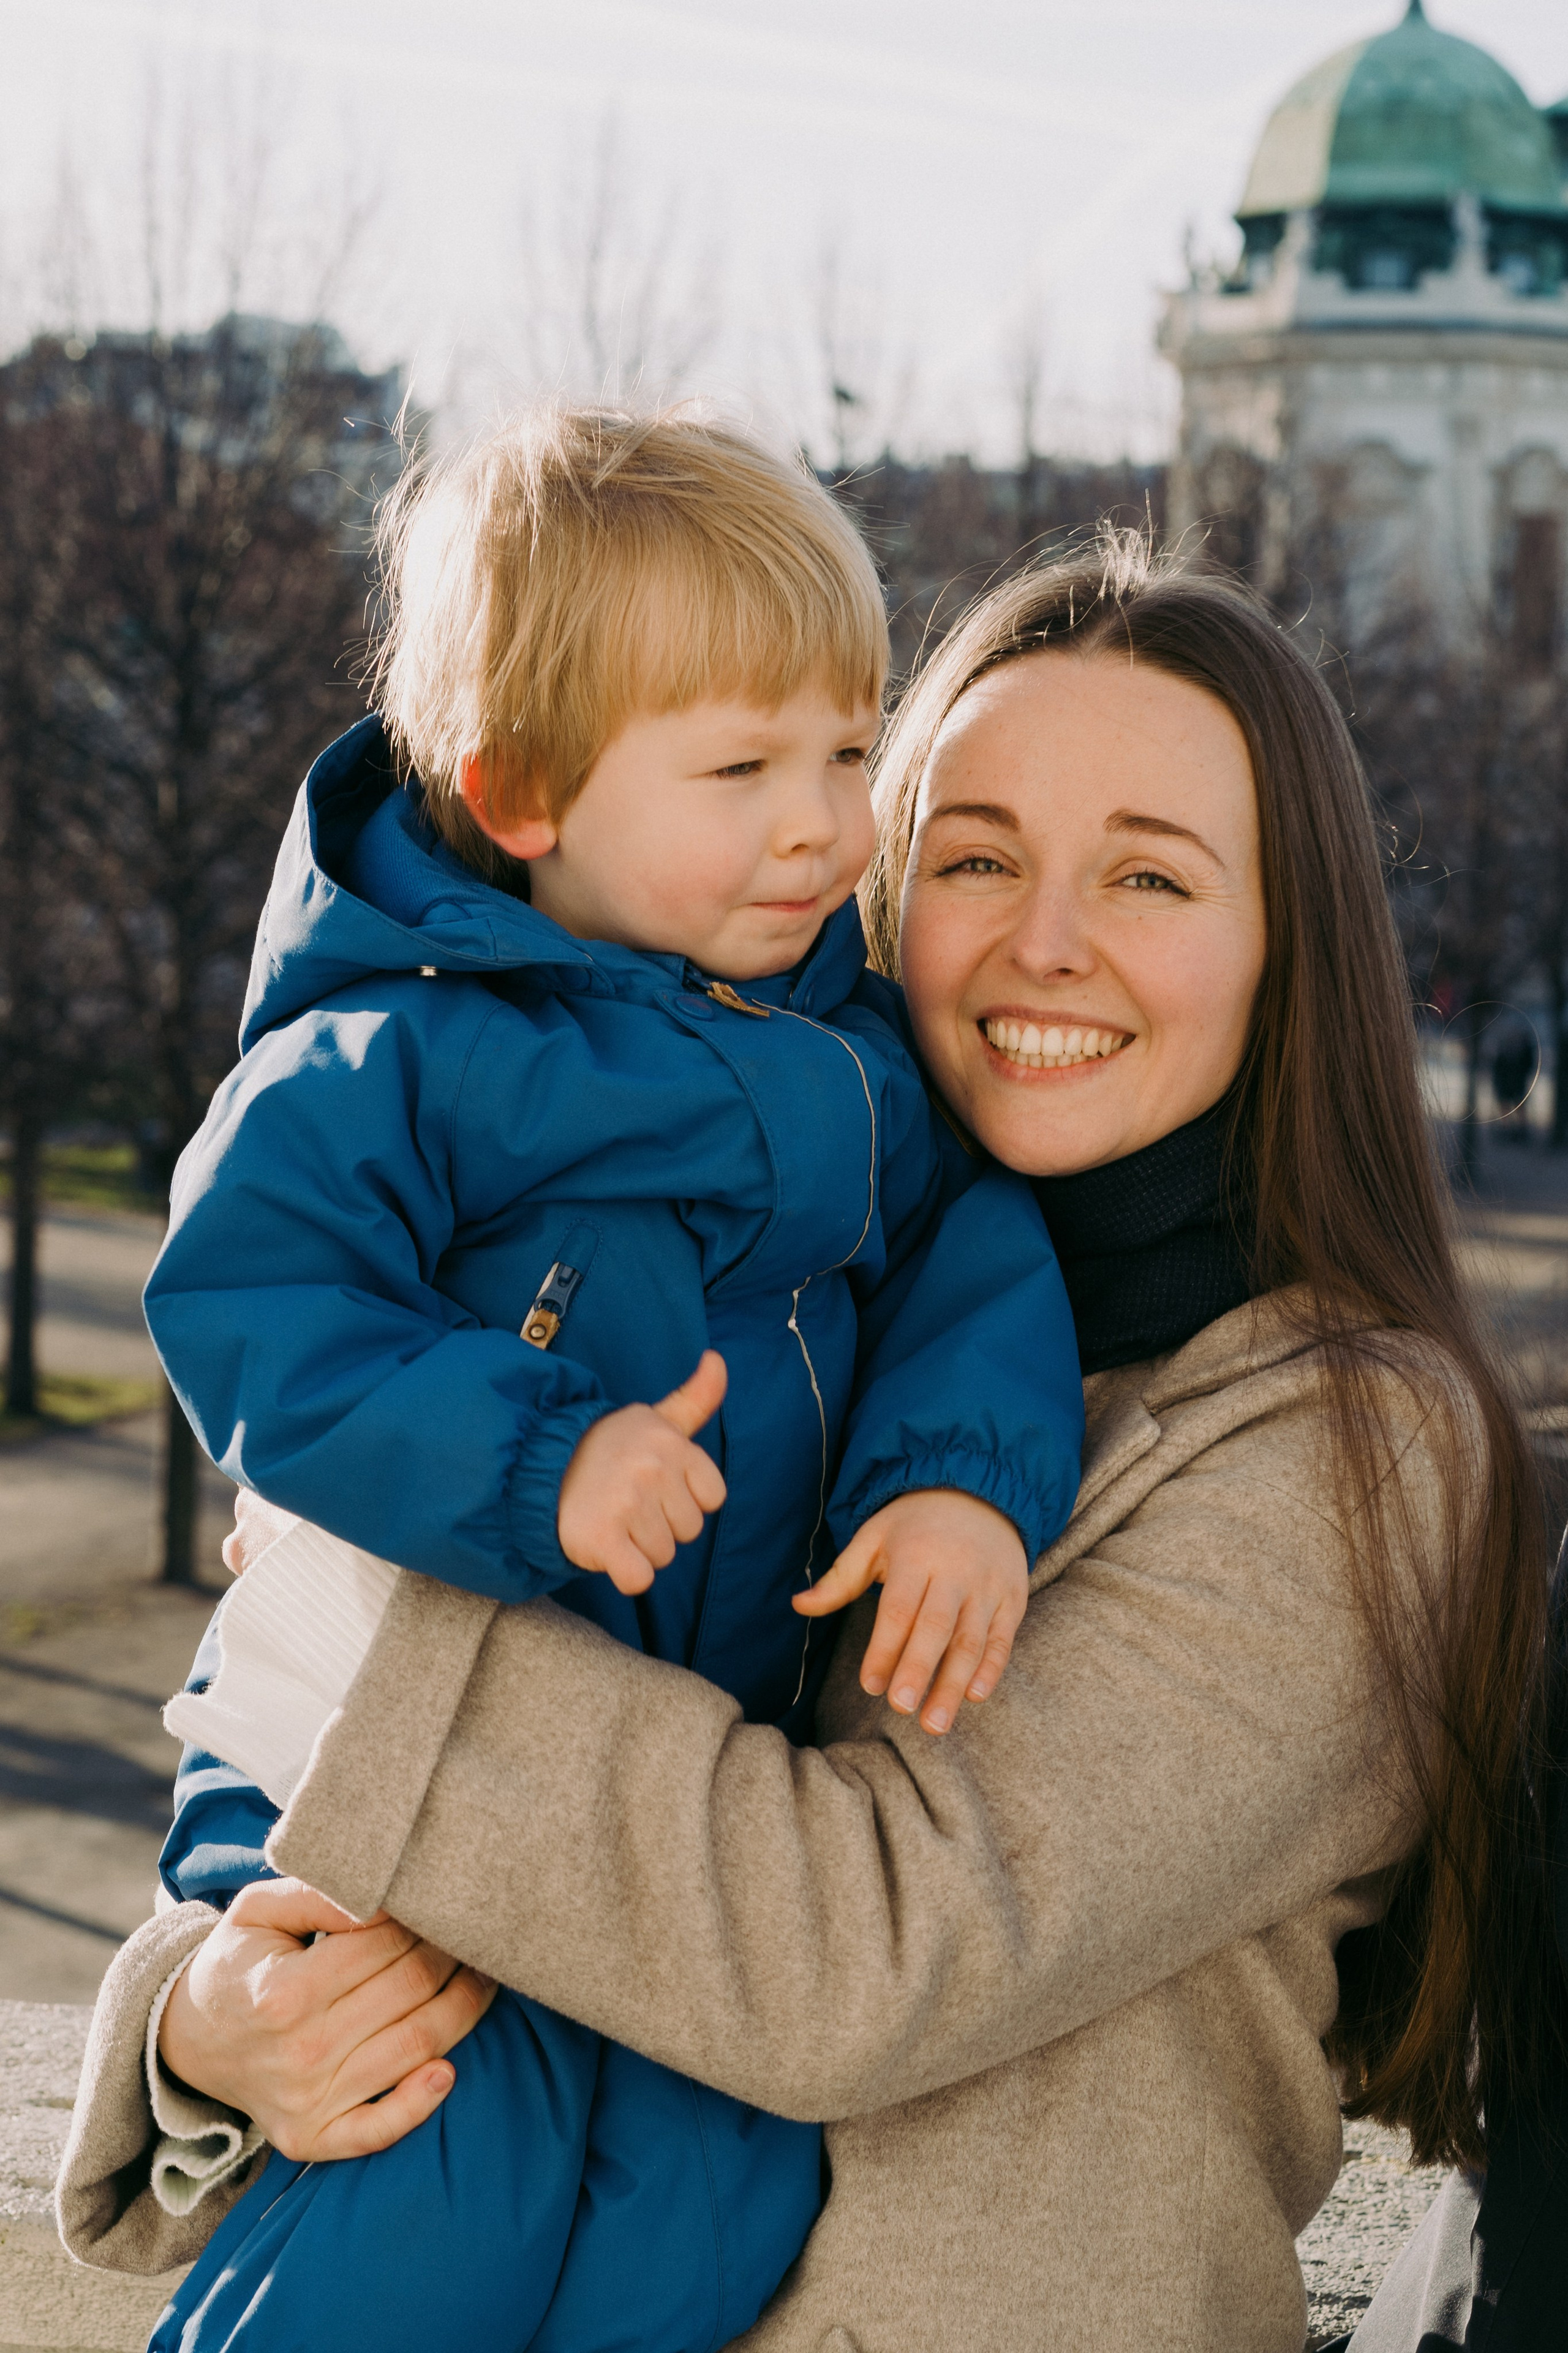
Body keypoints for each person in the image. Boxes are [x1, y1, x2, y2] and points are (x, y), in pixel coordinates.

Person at [59, 538, 1564, 2353]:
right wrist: (207, 2023)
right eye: (977, 857)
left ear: (1287, 947)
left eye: (1150, 875)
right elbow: (432, 1831)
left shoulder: (1348, 1437)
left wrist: (349, 1605)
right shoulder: (755, 1281)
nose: (1046, 941)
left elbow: (862, 1948)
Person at [118, 407, 1084, 2353]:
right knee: (420, 2198)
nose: (823, 824)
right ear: (524, 792)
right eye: (742, 768)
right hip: (388, 1806)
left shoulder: (856, 1063)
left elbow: (973, 1263)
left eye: (849, 750)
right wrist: (535, 1454)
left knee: (708, 2213)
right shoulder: (399, 1052)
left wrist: (958, 1479)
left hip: (672, 1821)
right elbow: (251, 1296)